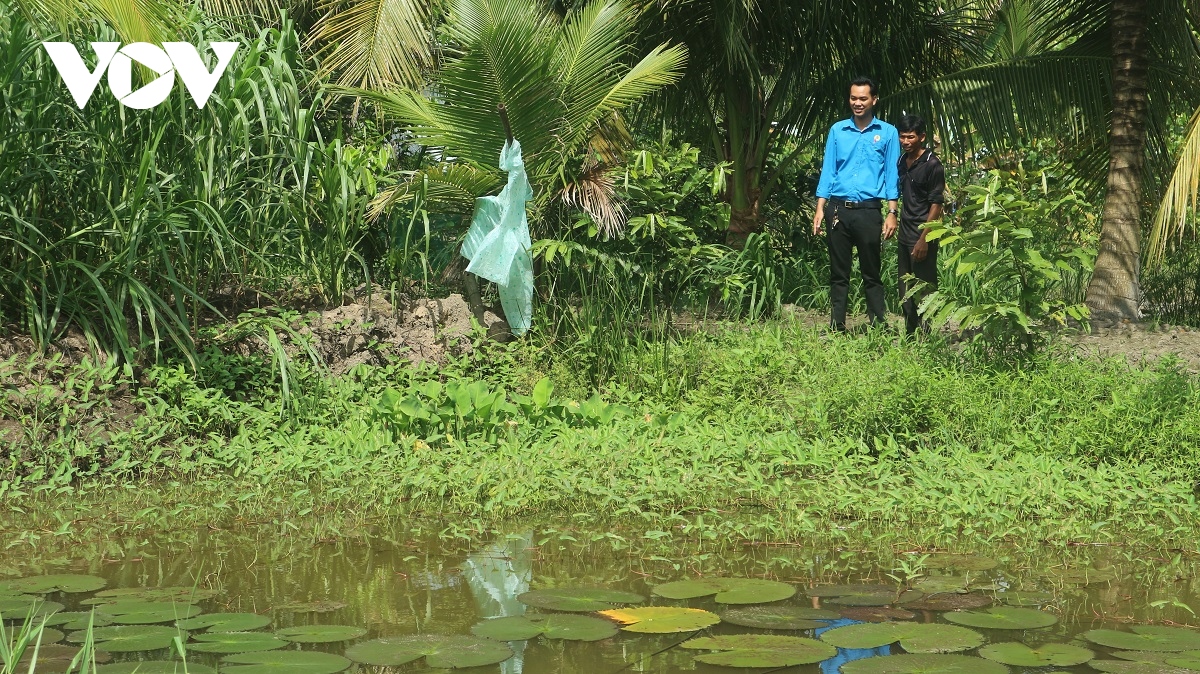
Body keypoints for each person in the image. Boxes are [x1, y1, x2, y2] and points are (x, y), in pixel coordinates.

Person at [813, 76, 900, 332]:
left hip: (869, 211)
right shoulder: (837, 130)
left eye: (863, 98)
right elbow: (828, 171)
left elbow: (891, 176)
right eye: (853, 98)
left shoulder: (887, 133)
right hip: (838, 210)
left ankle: (878, 326)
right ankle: (836, 326)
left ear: (874, 100)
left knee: (871, 272)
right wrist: (820, 208)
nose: (857, 103)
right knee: (839, 273)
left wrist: (892, 212)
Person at [895, 114, 945, 336]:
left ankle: (927, 334)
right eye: (902, 137)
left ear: (922, 137)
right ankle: (910, 331)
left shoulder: (933, 164)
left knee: (925, 288)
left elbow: (936, 205)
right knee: (904, 287)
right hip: (904, 232)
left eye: (910, 137)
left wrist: (924, 238)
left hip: (924, 233)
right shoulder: (901, 161)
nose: (905, 141)